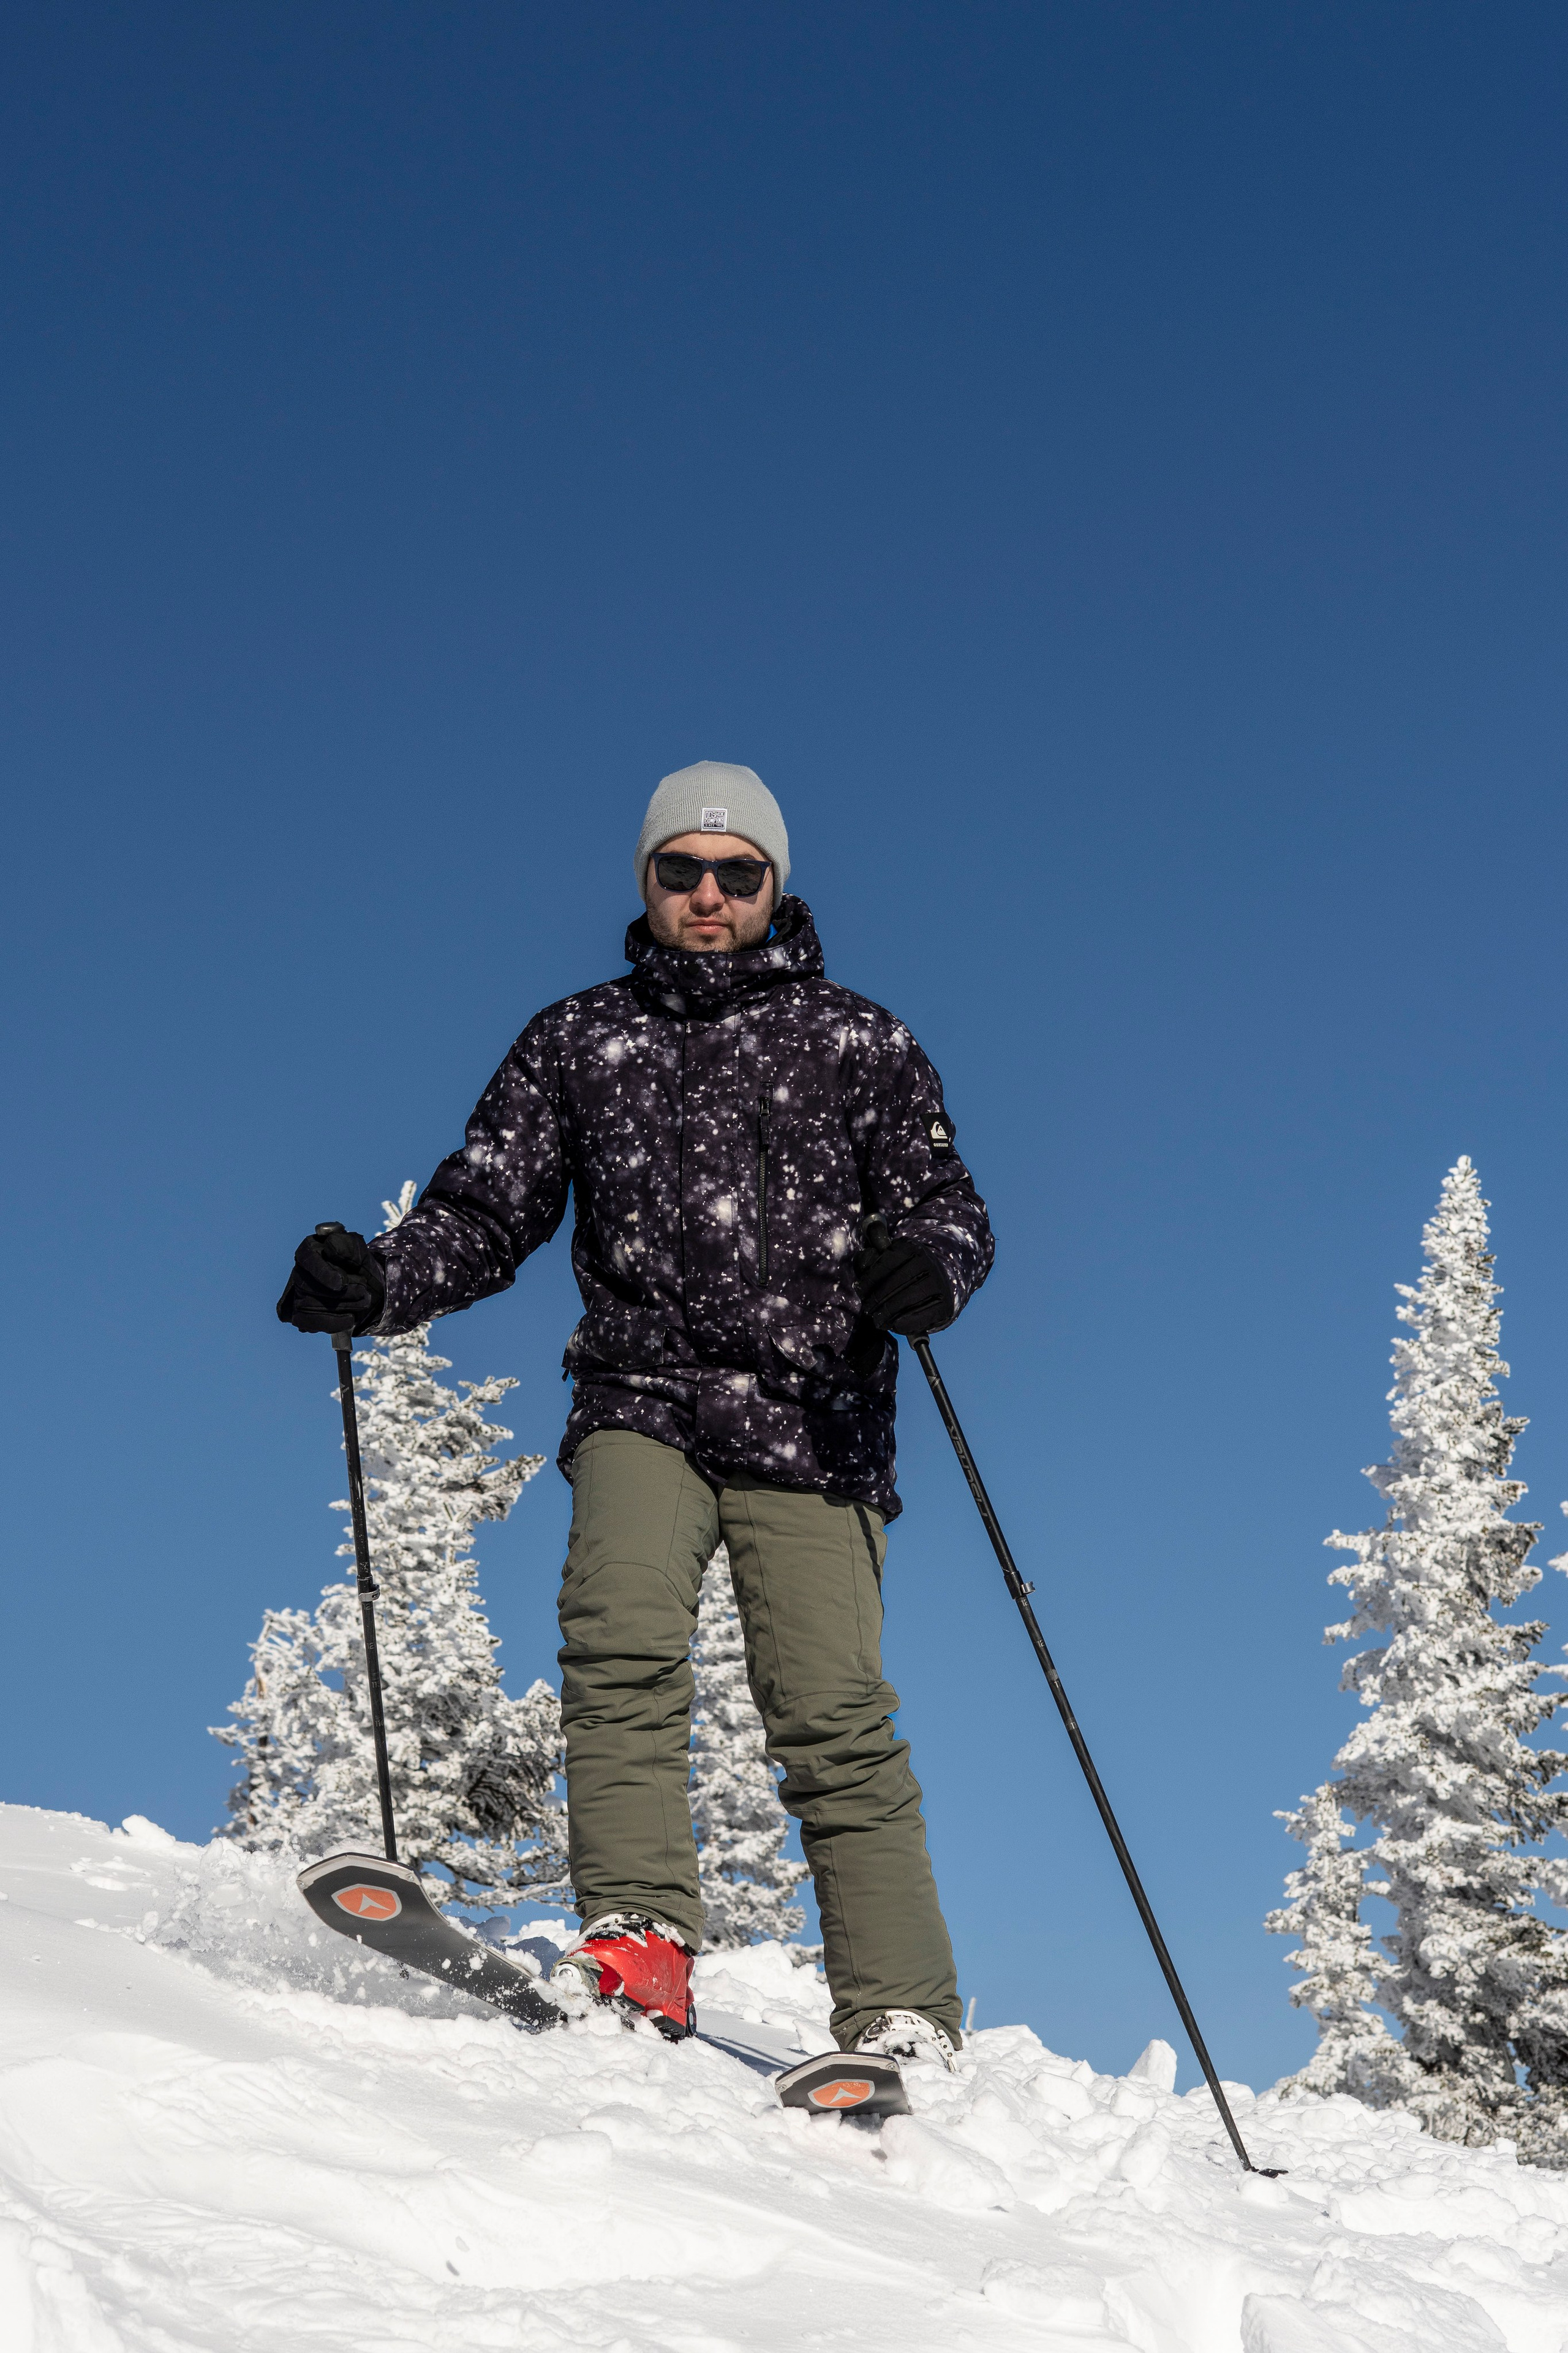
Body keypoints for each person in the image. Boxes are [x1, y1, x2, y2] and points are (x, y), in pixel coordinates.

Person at [277, 760, 993, 2067]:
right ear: (647, 880)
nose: (708, 894)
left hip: (813, 1416)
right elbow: (485, 1210)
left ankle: (900, 2010)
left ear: (775, 885)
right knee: (616, 1650)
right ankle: (639, 1942)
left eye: (737, 872)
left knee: (830, 1709)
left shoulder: (859, 1041)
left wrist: (928, 1271)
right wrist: (377, 1281)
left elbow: (947, 1210)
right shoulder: (579, 1041)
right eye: (681, 869)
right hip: (640, 1400)